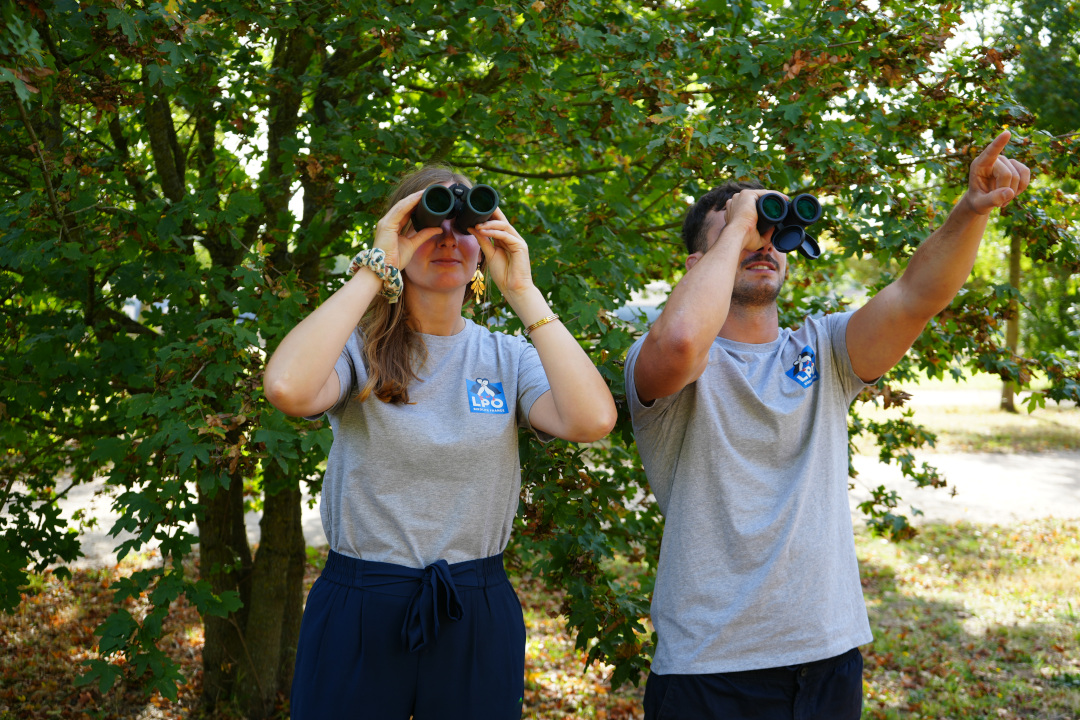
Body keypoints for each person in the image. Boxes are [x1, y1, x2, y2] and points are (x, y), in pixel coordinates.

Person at [623, 131, 1030, 719]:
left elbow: (917, 295)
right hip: (709, 667)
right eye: (742, 234)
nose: (763, 245)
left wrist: (970, 210)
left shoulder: (826, 349)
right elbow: (684, 339)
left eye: (771, 234)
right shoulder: (662, 359)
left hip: (828, 655)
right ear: (697, 264)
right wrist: (740, 222)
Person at [263, 165, 617, 719]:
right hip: (361, 598)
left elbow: (592, 419)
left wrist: (522, 289)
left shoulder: (507, 356)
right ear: (401, 232)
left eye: (466, 223)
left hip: (473, 603)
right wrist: (373, 271)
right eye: (430, 220)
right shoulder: (361, 351)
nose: (449, 236)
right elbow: (287, 388)